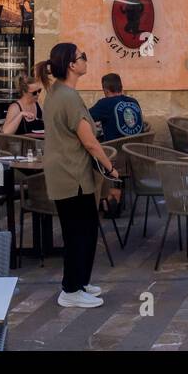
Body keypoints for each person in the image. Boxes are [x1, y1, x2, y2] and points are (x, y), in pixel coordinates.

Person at [38, 43, 121, 309]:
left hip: (67, 172)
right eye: (82, 57)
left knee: (83, 229)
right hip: (71, 174)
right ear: (72, 65)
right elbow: (90, 142)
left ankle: (80, 283)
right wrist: (110, 168)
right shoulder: (68, 97)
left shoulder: (56, 92)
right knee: (79, 232)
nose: (86, 60)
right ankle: (71, 289)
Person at [89, 73, 146, 142]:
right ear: (121, 87)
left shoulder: (105, 103)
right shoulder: (133, 101)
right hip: (137, 148)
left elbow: (84, 117)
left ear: (105, 90)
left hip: (115, 149)